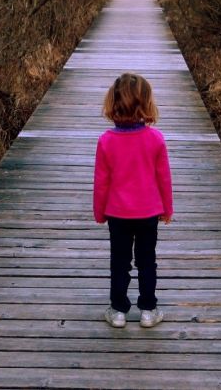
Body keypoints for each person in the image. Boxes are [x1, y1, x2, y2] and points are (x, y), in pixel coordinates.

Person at [93, 73, 173, 329]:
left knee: (119, 261)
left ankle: (118, 310)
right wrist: (167, 209)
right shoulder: (156, 139)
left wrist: (99, 212)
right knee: (147, 260)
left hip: (117, 214)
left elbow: (101, 182)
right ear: (147, 104)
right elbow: (164, 179)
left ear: (113, 103)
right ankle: (148, 309)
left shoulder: (106, 141)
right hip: (149, 213)